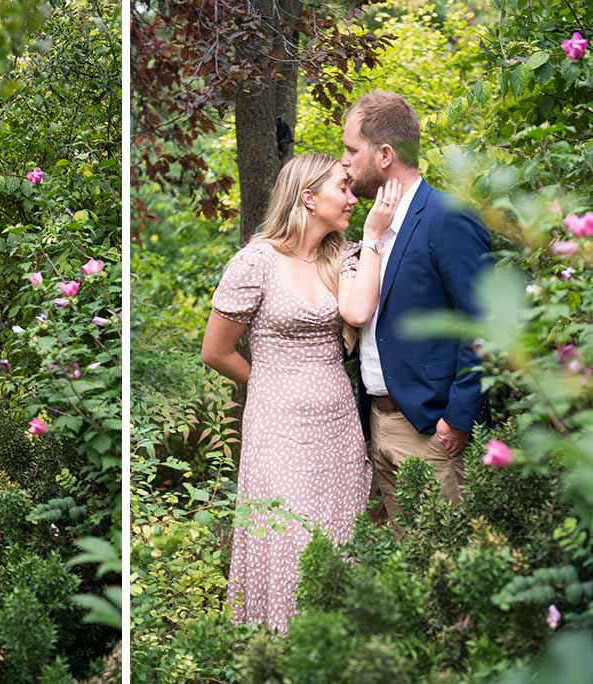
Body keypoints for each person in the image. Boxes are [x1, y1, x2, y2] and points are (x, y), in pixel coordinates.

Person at [201, 152, 403, 632]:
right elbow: (215, 351)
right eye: (344, 189)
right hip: (278, 428)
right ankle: (281, 646)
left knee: (340, 537)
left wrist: (372, 238)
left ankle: (335, 652)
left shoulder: (346, 257)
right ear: (308, 198)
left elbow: (355, 314)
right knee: (290, 538)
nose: (354, 199)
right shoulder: (256, 262)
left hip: (337, 429)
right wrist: (269, 381)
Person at [341, 91, 491, 531]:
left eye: (352, 150)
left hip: (430, 430)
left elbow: (482, 322)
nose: (345, 161)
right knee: (403, 574)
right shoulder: (375, 223)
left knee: (442, 570)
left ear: (385, 155)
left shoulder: (447, 218)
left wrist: (458, 418)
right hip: (378, 422)